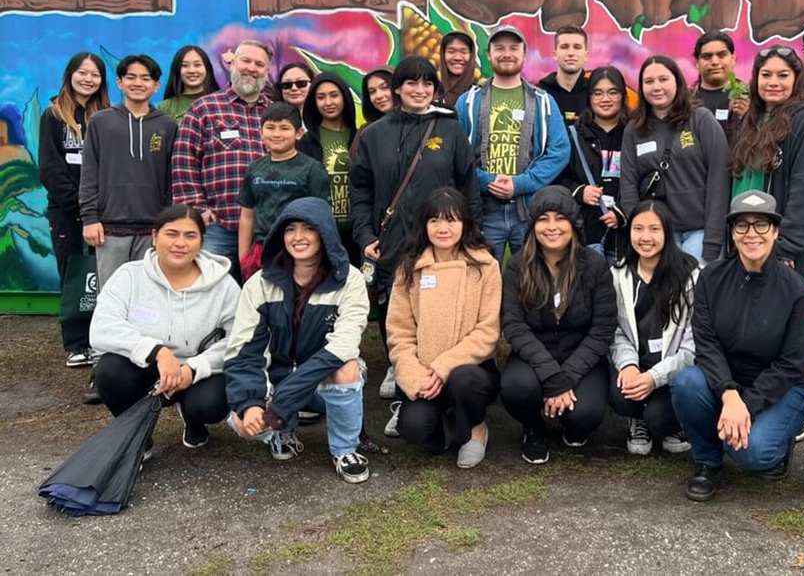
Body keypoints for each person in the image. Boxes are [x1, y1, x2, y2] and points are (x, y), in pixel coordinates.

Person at [350, 56, 481, 408]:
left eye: (427, 84)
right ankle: (398, 362)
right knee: (394, 301)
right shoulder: (374, 135)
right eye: (411, 83)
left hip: (440, 238)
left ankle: (434, 365)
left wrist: (471, 234)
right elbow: (360, 191)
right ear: (397, 88)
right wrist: (364, 235)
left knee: (434, 302)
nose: (419, 90)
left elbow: (468, 186)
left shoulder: (449, 130)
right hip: (389, 236)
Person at [671, 191, 804, 502]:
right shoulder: (711, 278)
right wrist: (729, 393)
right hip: (728, 382)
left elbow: (792, 364)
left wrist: (746, 405)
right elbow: (706, 344)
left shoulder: (797, 290)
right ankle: (707, 460)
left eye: (761, 225)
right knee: (686, 383)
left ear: (775, 232)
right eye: (742, 226)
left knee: (754, 454)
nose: (752, 235)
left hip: (782, 389)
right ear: (731, 233)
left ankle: (777, 442)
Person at [223, 197, 371, 483]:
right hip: (275, 379)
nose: (298, 237)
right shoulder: (260, 283)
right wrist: (251, 404)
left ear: (324, 233)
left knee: (348, 367)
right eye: (290, 229)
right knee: (241, 420)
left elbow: (342, 347)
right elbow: (243, 351)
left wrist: (283, 400)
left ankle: (344, 450)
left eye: (308, 229)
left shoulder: (349, 280)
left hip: (320, 382)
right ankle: (281, 432)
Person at [90, 205, 240, 451]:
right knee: (108, 371)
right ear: (154, 236)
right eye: (171, 233)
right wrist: (157, 352)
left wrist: (194, 368)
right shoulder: (129, 276)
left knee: (213, 402)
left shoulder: (223, 285)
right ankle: (138, 437)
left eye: (190, 235)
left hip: (195, 374)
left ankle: (194, 420)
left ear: (201, 242)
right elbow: (102, 327)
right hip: (146, 368)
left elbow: (238, 340)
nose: (180, 243)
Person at [499, 186, 616, 464]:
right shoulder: (518, 265)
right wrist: (552, 375)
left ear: (573, 224)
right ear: (533, 225)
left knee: (584, 415)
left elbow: (603, 329)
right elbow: (514, 325)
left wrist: (567, 377)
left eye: (560, 218)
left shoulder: (595, 265)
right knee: (517, 388)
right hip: (534, 355)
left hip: (581, 356)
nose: (552, 227)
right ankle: (533, 427)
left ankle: (570, 422)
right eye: (543, 219)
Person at [386, 188, 501, 468]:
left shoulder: (486, 266)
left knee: (464, 381)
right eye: (434, 221)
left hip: (470, 370)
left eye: (451, 220)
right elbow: (399, 331)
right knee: (413, 428)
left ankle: (475, 430)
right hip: (425, 374)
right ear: (424, 225)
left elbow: (488, 331)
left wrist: (444, 365)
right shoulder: (409, 267)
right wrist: (415, 373)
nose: (443, 229)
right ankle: (449, 428)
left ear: (465, 223)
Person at [457, 25, 570, 262]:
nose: (506, 53)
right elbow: (456, 154)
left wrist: (521, 183)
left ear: (524, 53)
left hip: (528, 210)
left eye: (513, 48)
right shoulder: (468, 102)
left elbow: (559, 151)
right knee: (482, 280)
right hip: (483, 210)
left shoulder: (543, 102)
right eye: (499, 48)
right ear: (488, 55)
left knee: (533, 279)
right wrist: (486, 180)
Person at [728, 46, 804, 280]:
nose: (773, 82)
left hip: (780, 250)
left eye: (783, 75)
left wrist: (786, 246)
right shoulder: (749, 121)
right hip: (746, 241)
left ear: (796, 79)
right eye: (766, 75)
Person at [172, 39, 273, 266]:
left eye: (259, 64)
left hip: (266, 228)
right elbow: (183, 162)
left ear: (267, 71)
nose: (251, 68)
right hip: (217, 226)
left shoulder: (275, 113)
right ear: (232, 64)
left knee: (263, 296)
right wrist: (197, 210)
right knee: (211, 294)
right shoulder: (204, 108)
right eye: (245, 60)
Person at [620, 55, 730, 264]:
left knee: (695, 294)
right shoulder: (634, 130)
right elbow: (628, 185)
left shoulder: (701, 119)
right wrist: (639, 231)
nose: (656, 87)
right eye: (649, 81)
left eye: (663, 79)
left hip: (700, 232)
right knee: (664, 296)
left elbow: (719, 179)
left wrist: (713, 240)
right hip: (657, 235)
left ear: (677, 82)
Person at [609, 201, 698, 456]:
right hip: (637, 364)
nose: (645, 237)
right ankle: (637, 420)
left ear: (667, 233)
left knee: (659, 418)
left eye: (654, 229)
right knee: (620, 396)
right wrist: (628, 366)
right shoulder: (618, 274)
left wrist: (654, 378)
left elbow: (694, 345)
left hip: (672, 372)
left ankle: (673, 423)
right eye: (638, 229)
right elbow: (614, 330)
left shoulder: (692, 276)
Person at [80, 54, 177, 287]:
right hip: (109, 229)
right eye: (131, 77)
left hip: (153, 230)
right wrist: (89, 218)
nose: (138, 83)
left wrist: (168, 224)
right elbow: (89, 173)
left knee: (149, 295)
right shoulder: (101, 122)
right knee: (112, 297)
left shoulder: (167, 125)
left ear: (157, 86)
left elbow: (172, 180)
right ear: (119, 82)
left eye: (146, 78)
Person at [39, 52, 110, 369]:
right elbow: (51, 170)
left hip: (103, 213)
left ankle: (101, 340)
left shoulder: (108, 116)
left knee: (102, 277)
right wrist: (80, 209)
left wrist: (96, 209)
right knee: (73, 275)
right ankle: (76, 343)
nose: (88, 79)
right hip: (67, 212)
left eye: (95, 74)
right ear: (70, 75)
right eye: (83, 72)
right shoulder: (53, 116)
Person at [237, 102, 330, 281]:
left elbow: (322, 218)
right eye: (270, 128)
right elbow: (247, 215)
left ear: (298, 134)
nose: (277, 134)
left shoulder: (312, 169)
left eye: (284, 128)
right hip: (261, 252)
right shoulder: (254, 169)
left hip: (299, 250)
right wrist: (243, 259)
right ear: (261, 132)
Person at [554, 65, 628, 262]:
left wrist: (623, 210)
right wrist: (579, 191)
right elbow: (556, 177)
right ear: (589, 97)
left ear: (623, 95)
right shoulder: (572, 135)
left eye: (613, 92)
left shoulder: (635, 133)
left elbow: (646, 179)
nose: (605, 99)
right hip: (587, 235)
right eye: (598, 93)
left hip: (627, 236)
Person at [298, 72, 359, 265]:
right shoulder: (306, 143)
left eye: (334, 95)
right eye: (321, 97)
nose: (328, 102)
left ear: (345, 97)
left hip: (357, 234)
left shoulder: (362, 136)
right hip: (320, 233)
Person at [691, 30, 747, 140]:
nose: (715, 62)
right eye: (707, 56)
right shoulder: (685, 100)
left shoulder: (750, 96)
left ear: (733, 59)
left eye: (722, 55)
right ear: (697, 63)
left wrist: (749, 117)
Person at [537, 25, 590, 125]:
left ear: (586, 55)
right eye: (564, 47)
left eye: (577, 47)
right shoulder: (539, 93)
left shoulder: (594, 93)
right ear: (555, 55)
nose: (570, 53)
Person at [160, 46, 220, 121]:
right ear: (177, 70)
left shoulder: (221, 103)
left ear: (207, 69)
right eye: (185, 65)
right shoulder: (164, 108)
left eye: (197, 65)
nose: (191, 70)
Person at [439, 32, 477, 107]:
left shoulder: (479, 95)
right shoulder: (432, 93)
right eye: (451, 52)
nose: (457, 58)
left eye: (464, 52)